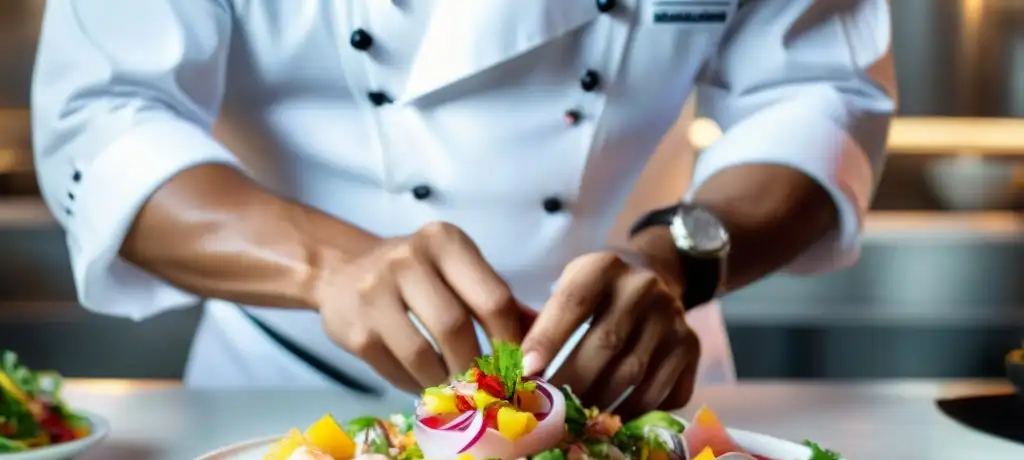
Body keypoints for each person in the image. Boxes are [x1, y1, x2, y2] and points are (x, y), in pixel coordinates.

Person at [32, 0, 895, 416]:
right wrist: (337, 268)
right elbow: (102, 122)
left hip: (636, 382)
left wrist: (672, 262)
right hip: (286, 393)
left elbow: (822, 96)